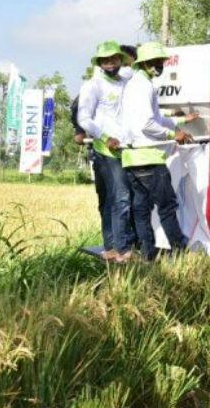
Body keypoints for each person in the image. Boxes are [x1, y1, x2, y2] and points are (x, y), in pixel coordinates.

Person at [121, 42, 198, 260]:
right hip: (149, 157)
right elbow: (148, 124)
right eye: (156, 62)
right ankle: (179, 249)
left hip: (132, 159)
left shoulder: (136, 84)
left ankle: (148, 255)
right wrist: (173, 136)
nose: (160, 66)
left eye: (161, 62)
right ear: (144, 63)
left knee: (141, 210)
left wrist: (181, 121)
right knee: (167, 206)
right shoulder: (144, 86)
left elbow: (157, 118)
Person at [77, 41, 137, 263]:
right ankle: (122, 250)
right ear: (100, 63)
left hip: (124, 148)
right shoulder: (93, 85)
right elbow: (84, 118)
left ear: (121, 60)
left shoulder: (125, 80)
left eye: (114, 58)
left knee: (113, 199)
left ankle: (112, 247)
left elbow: (139, 69)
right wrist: (104, 137)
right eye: (105, 60)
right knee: (120, 198)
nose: (110, 63)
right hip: (105, 149)